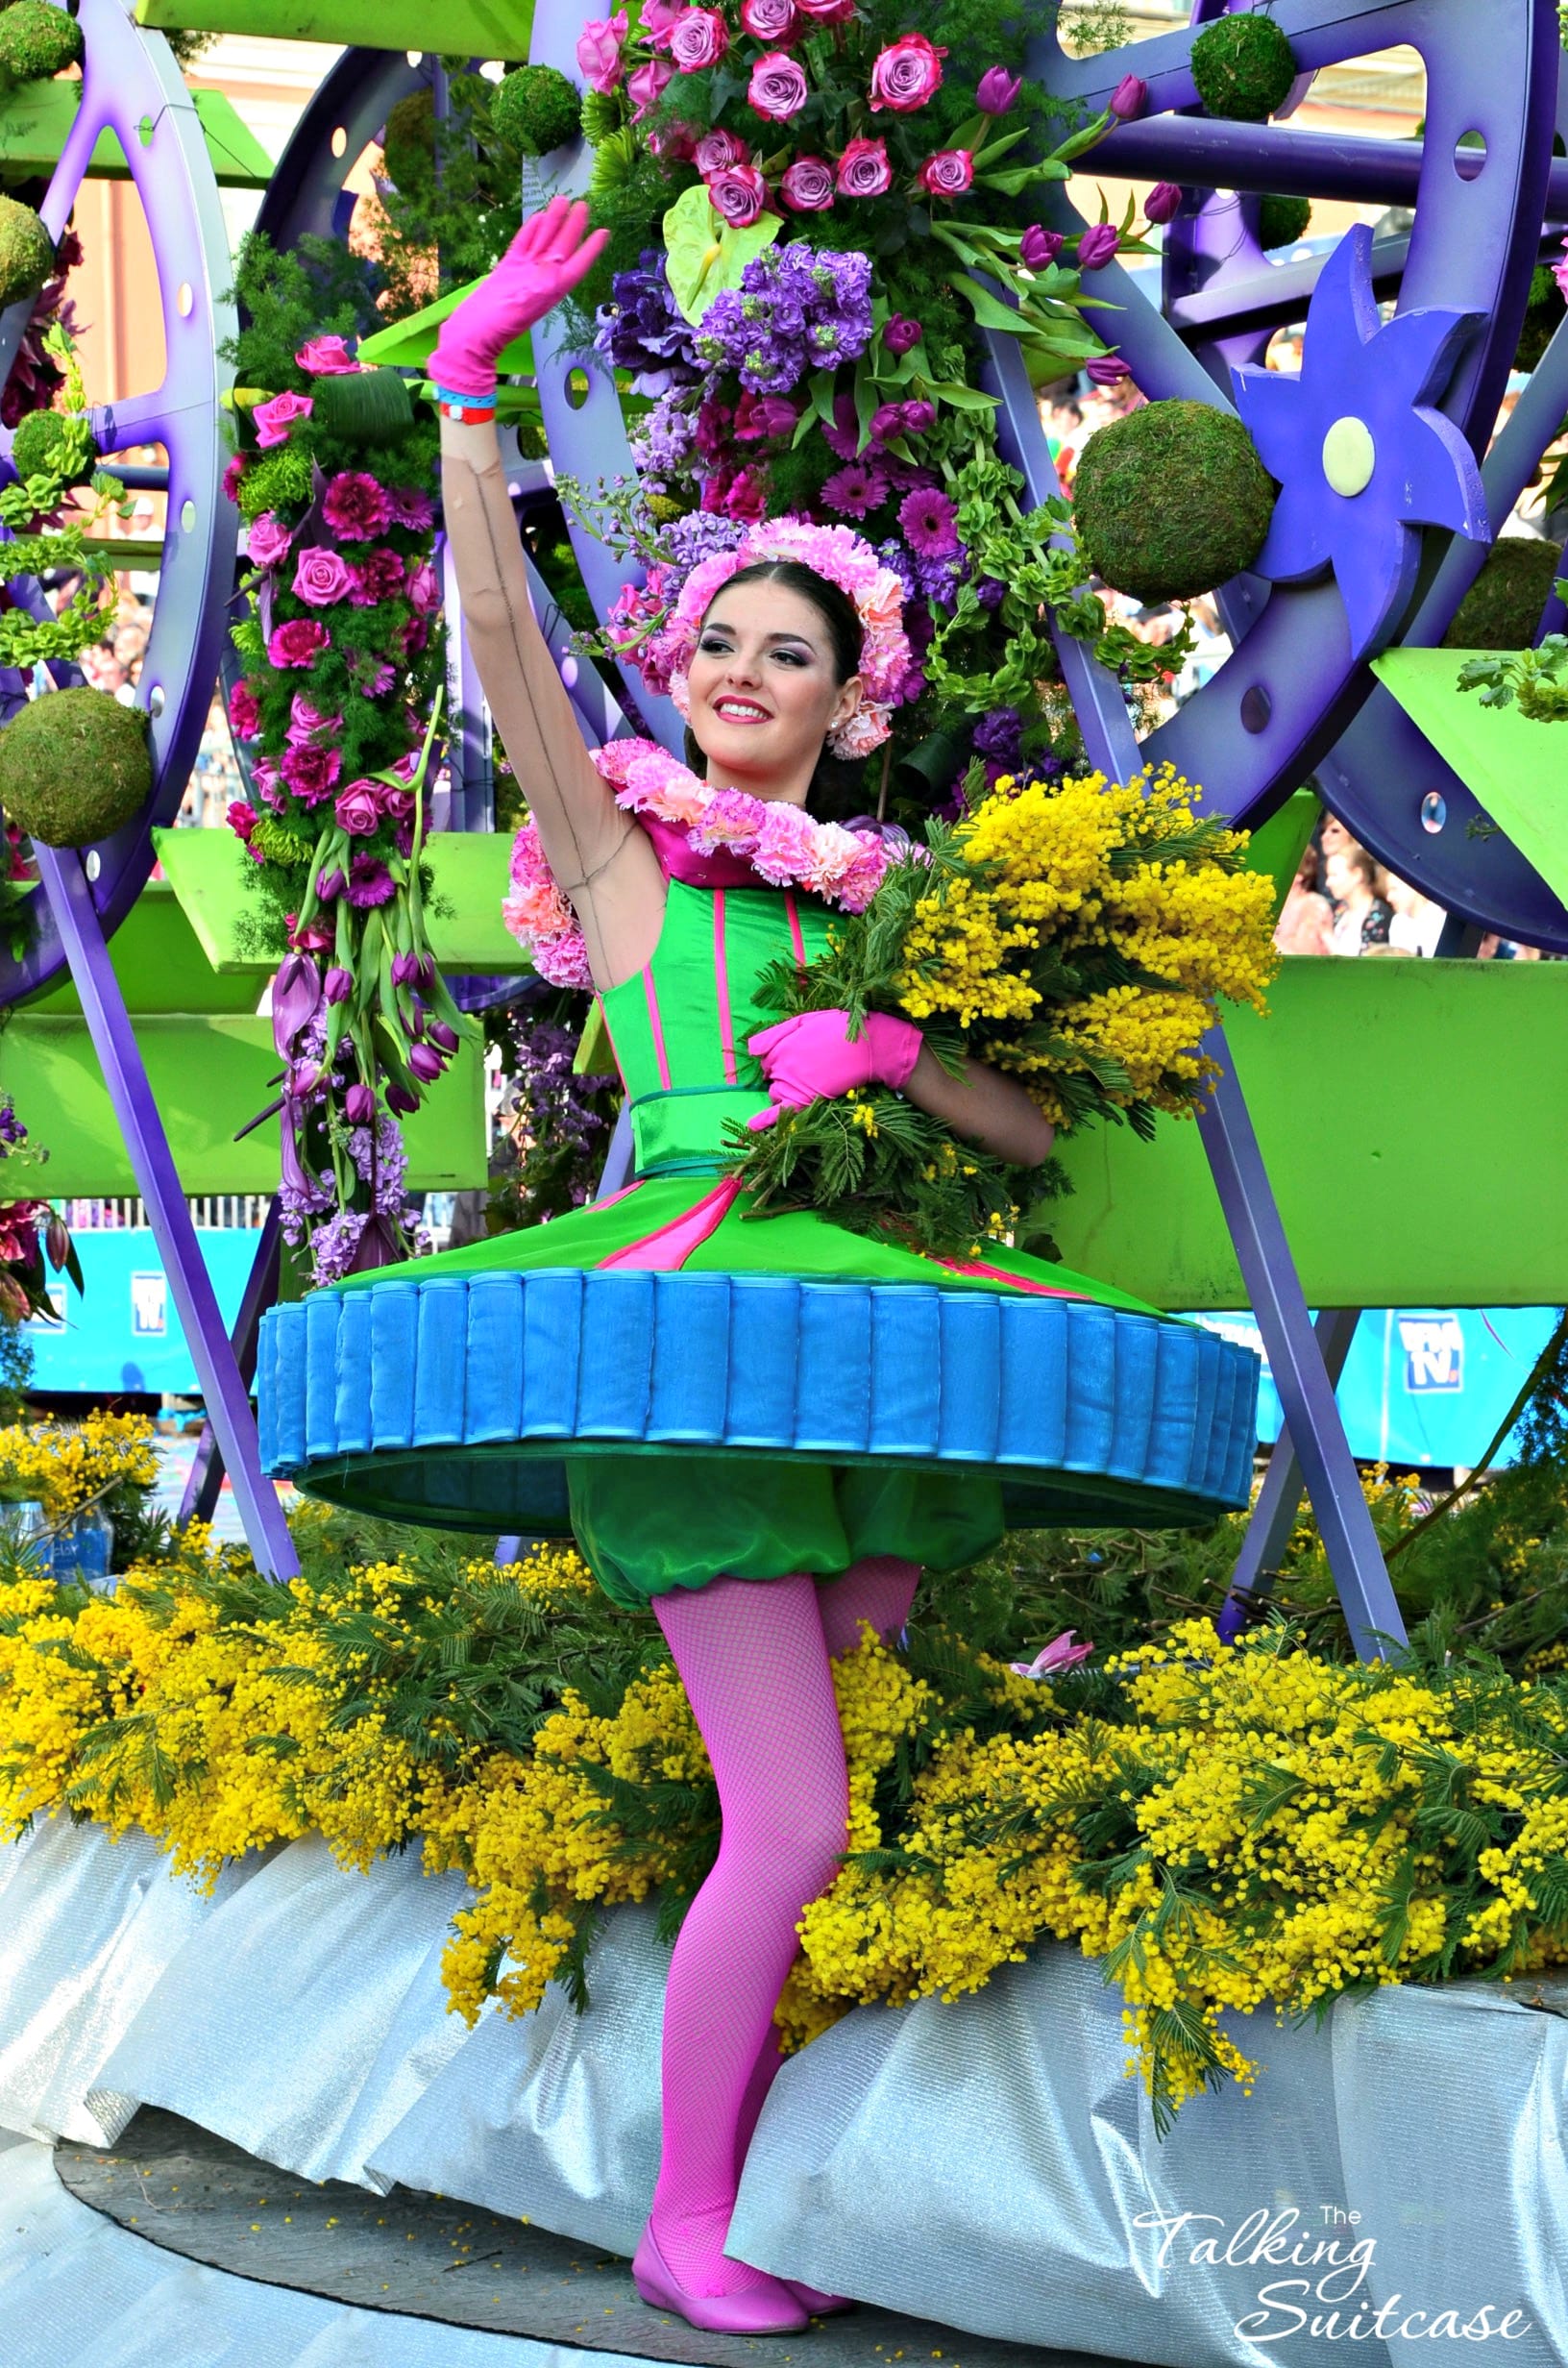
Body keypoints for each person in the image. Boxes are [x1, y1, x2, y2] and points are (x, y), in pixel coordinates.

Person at [290, 201, 1258, 2338]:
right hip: (690, 1328)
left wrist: (900, 1046)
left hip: (864, 1342)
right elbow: (512, 662)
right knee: (800, 1814)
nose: (737, 674)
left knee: (857, 1778)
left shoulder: (895, 905)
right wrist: (470, 407)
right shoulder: (625, 864)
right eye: (716, 642)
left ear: (853, 696)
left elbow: (1026, 1123)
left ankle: (777, 2154)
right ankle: (684, 2213)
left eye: (786, 651)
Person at [1325, 842, 1393, 954]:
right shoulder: (1339, 910)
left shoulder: (1380, 915)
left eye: (1334, 875)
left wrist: (1326, 935)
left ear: (1357, 875)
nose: (1328, 883)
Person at [1273, 843, 1335, 956]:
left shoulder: (1313, 905)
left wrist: (1268, 943)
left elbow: (1305, 956)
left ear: (1300, 874)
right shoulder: (1274, 904)